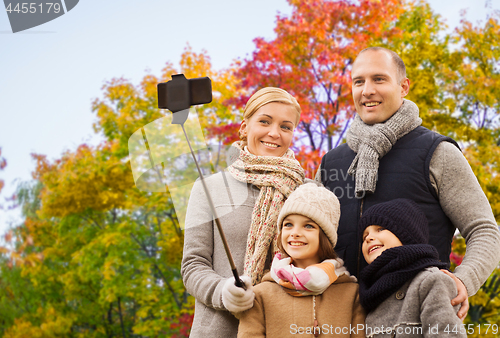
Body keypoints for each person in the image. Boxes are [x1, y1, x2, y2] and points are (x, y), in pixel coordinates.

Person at [316, 46, 500, 318]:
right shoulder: (332, 162)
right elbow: (309, 237)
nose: (367, 90)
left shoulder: (436, 152)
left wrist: (463, 279)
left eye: (379, 79)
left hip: (416, 319)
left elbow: (484, 229)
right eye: (359, 81)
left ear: (403, 87)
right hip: (340, 321)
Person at [181, 87, 306, 338]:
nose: (274, 133)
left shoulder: (307, 193)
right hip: (220, 329)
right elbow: (193, 265)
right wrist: (223, 291)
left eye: (286, 126)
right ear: (244, 127)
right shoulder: (210, 187)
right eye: (264, 121)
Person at [238, 183, 365, 338]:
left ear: (325, 236)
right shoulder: (261, 295)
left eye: (308, 226)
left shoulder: (352, 294)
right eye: (288, 224)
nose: (295, 233)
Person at [359, 199, 466, 338]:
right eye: (364, 236)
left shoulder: (431, 280)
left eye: (380, 229)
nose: (369, 238)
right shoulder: (371, 293)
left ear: (406, 233)